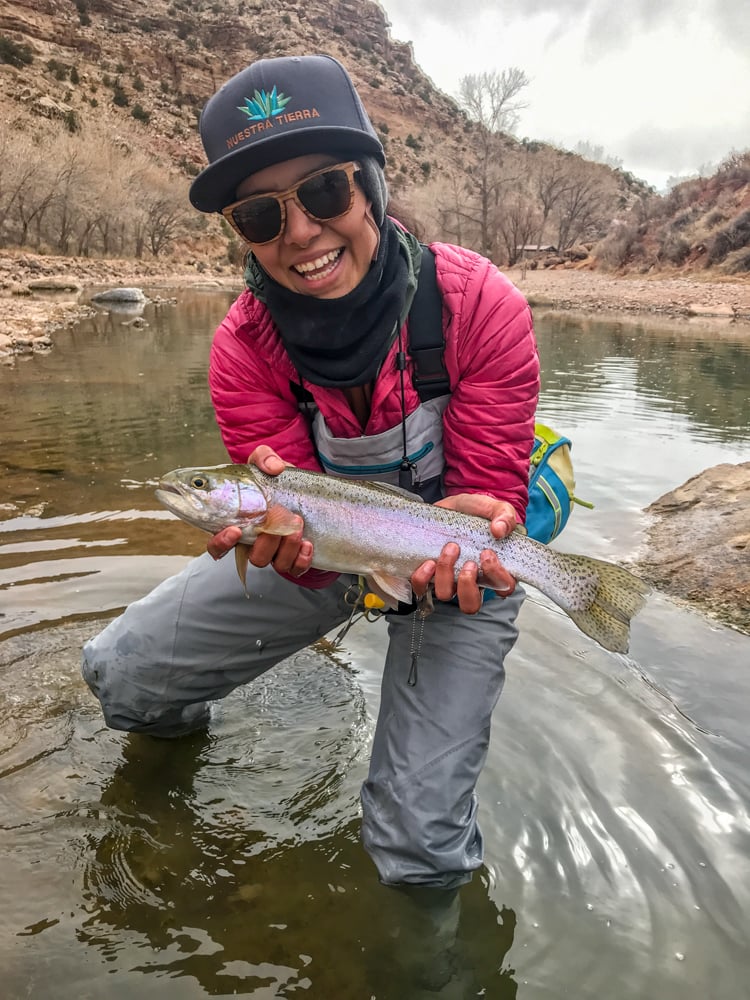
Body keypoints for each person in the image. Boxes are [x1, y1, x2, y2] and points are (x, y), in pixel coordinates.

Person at [82, 53, 539, 979]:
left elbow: (492, 491)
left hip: (456, 566)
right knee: (120, 674)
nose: (300, 232)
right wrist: (283, 551)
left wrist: (484, 529)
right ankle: (162, 782)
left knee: (415, 845)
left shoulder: (478, 302)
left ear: (368, 187)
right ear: (242, 237)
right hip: (331, 551)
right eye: (260, 214)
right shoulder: (242, 347)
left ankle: (429, 971)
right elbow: (291, 528)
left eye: (323, 190)